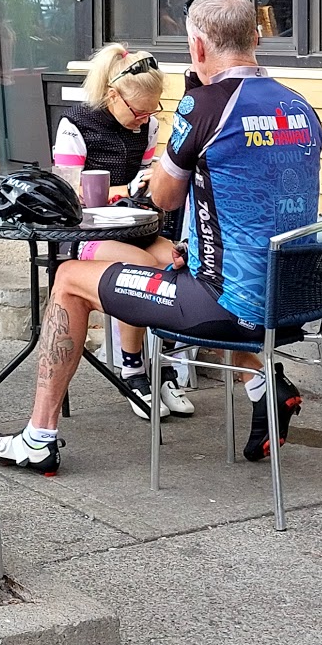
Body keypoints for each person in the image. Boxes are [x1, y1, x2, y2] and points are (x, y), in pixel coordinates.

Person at [0, 0, 322, 475]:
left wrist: (196, 95)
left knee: (68, 278)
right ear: (257, 38)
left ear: (197, 46)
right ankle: (264, 385)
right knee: (179, 260)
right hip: (294, 302)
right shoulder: (298, 106)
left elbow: (165, 198)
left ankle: (39, 438)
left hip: (225, 308)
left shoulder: (205, 105)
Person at [52, 42, 192, 418]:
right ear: (113, 96)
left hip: (135, 227)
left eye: (153, 110)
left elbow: (147, 179)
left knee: (184, 266)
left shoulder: (146, 126)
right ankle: (133, 371)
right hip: (86, 234)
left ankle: (163, 367)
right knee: (141, 273)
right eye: (139, 111)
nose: (146, 119)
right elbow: (67, 192)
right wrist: (124, 190)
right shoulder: (76, 125)